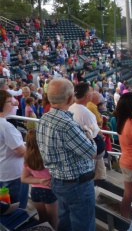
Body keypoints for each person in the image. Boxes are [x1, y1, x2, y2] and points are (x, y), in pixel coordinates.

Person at [36, 78, 97, 230]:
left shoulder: (44, 118)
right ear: (70, 98)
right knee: (83, 225)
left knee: (65, 221)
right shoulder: (67, 125)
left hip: (58, 181)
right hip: (77, 184)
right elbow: (92, 152)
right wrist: (88, 133)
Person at [20, 129, 58, 230]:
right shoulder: (48, 155)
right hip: (50, 191)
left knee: (43, 221)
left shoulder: (27, 158)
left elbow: (23, 178)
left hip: (35, 192)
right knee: (53, 222)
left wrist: (39, 180)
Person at [69, 83, 107, 184]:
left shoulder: (71, 107)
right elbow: (97, 133)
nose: (92, 93)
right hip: (88, 150)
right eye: (90, 92)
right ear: (86, 95)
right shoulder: (87, 113)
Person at [0, 90, 28, 209]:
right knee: (16, 208)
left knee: (5, 206)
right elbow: (21, 151)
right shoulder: (6, 127)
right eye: (10, 102)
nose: (13, 104)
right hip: (13, 175)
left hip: (4, 172)